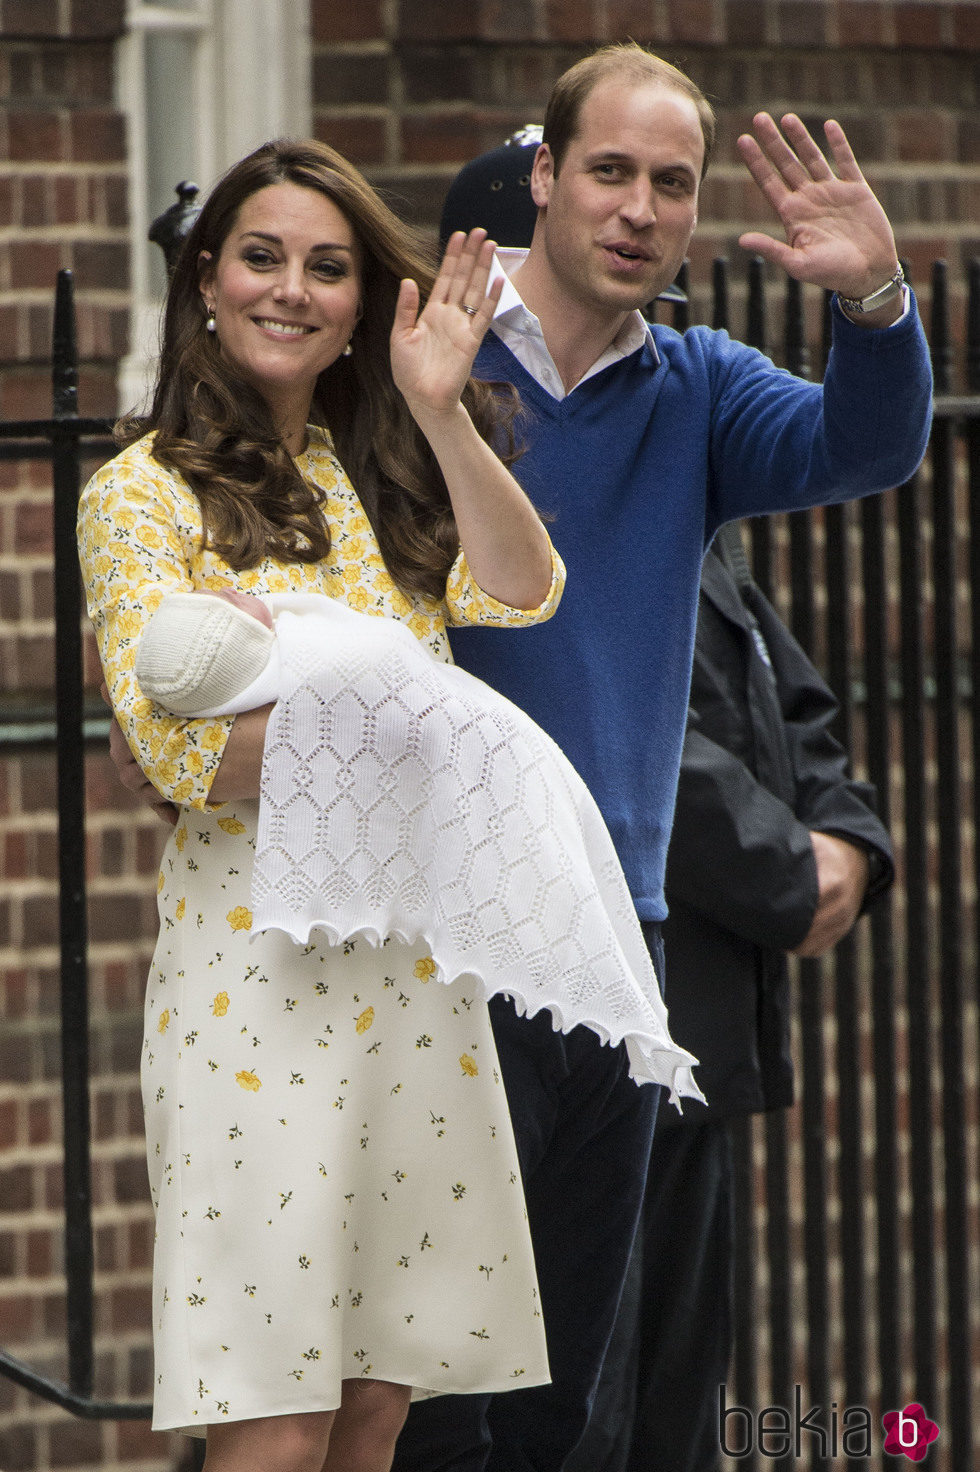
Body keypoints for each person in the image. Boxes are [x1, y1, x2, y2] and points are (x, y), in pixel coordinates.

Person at [391, 41, 932, 1472]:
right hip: (436, 940)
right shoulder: (427, 359)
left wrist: (875, 306)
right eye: (612, 172)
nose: (640, 208)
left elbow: (866, 450)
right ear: (548, 179)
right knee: (442, 1401)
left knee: (579, 1397)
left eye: (673, 185)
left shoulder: (698, 386)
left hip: (614, 945)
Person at [78, 136, 574, 1472]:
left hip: (411, 976)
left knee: (375, 1406)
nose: (290, 289)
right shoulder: (138, 494)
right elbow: (183, 762)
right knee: (278, 1420)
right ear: (205, 280)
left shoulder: (372, 477)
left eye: (327, 266)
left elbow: (524, 589)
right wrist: (399, 716)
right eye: (261, 257)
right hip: (257, 982)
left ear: (362, 303)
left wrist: (441, 407)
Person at [565, 520, 895, 1472]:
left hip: (693, 1042)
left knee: (678, 1420)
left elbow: (777, 680)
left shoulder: (686, 499)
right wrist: (791, 872)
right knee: (587, 1423)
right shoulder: (545, 474)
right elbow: (623, 710)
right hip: (598, 1030)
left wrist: (848, 837)